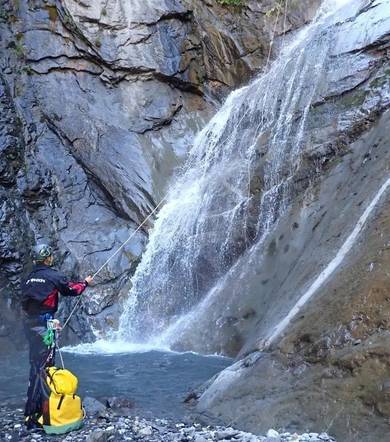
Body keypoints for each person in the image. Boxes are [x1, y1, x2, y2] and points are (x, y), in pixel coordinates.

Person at [21, 243, 93, 429]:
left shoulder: (29, 278)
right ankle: (38, 415)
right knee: (45, 367)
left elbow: (28, 304)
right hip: (45, 327)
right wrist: (85, 282)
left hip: (30, 326)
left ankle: (33, 410)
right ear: (47, 258)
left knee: (35, 365)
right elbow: (72, 290)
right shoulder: (54, 276)